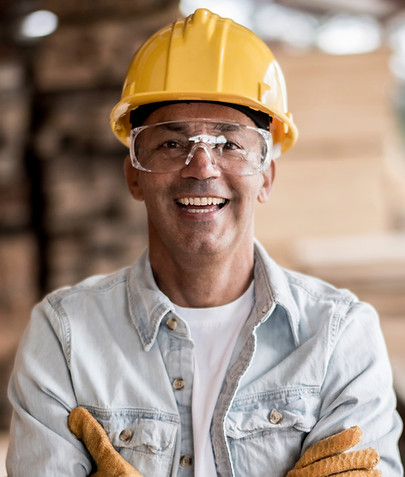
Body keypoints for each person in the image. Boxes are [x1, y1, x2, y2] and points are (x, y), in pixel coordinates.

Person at [6, 7, 403, 477]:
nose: (201, 167)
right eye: (172, 144)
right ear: (133, 174)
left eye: (229, 144)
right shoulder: (65, 337)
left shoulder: (340, 338)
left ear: (266, 177)